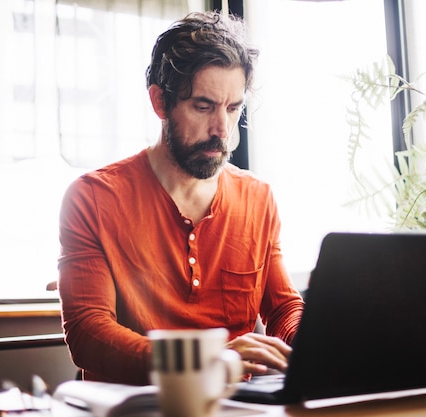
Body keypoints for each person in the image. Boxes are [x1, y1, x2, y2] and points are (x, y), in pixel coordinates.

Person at [58, 10, 304, 385]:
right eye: (203, 107)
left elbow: (283, 307)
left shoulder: (258, 198)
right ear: (160, 103)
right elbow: (88, 334)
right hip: (134, 410)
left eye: (233, 108)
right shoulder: (92, 198)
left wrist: (312, 346)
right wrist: (205, 361)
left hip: (234, 410)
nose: (221, 130)